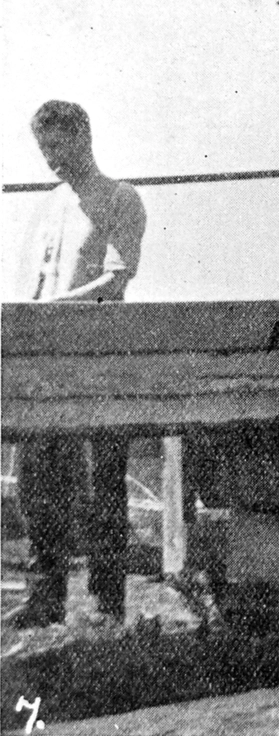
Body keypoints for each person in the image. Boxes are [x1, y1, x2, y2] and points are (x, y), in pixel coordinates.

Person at [15, 100, 147, 627]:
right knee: (36, 483)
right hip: (44, 369)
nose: (51, 159)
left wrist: (46, 312)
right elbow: (34, 283)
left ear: (84, 136)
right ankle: (44, 598)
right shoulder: (48, 205)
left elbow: (114, 283)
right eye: (44, 149)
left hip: (96, 369)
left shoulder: (120, 199)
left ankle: (106, 602)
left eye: (60, 146)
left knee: (100, 488)